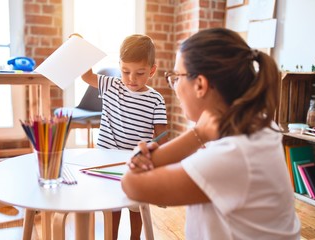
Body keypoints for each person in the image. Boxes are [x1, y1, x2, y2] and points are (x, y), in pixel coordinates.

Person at [121, 28, 301, 239]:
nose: (174, 86)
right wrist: (199, 135)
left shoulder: (233, 154)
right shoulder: (259, 126)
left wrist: (197, 134)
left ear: (200, 85)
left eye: (176, 77)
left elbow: (131, 184)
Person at [82, 34, 168, 240]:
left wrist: (162, 163)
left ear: (152, 70)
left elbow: (161, 135)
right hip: (106, 157)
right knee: (113, 205)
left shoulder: (156, 99)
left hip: (136, 162)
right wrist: (80, 45)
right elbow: (86, 76)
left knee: (136, 205)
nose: (131, 79)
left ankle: (135, 238)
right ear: (119, 65)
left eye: (140, 73)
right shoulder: (111, 85)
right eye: (125, 71)